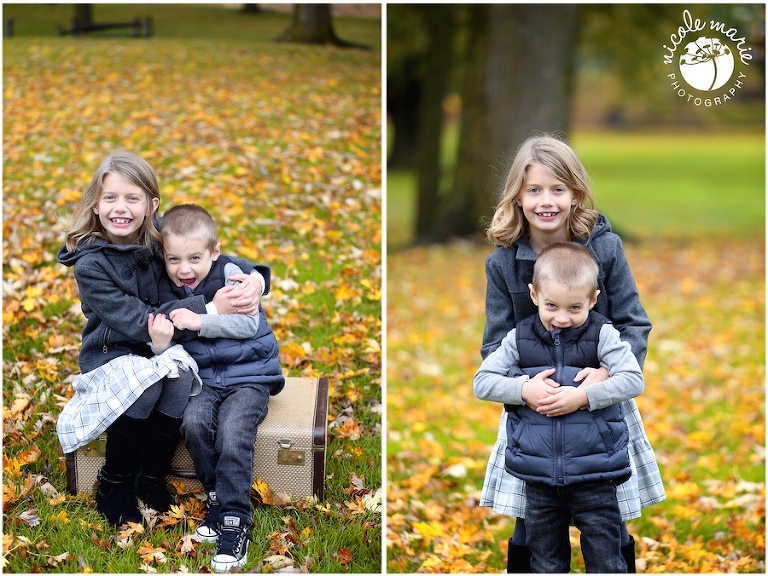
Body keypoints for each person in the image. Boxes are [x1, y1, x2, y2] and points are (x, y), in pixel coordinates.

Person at [479, 134, 665, 572]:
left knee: (606, 520)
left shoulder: (605, 249)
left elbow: (634, 322)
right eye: (534, 190)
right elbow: (494, 344)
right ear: (518, 197)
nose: (546, 201)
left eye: (557, 189)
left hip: (599, 408)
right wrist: (523, 389)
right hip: (535, 415)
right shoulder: (503, 264)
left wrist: (607, 374)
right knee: (534, 523)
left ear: (575, 194)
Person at [56, 150, 267, 527]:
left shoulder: (158, 237)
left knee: (180, 376)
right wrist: (210, 308)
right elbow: (140, 321)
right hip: (112, 354)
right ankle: (115, 480)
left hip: (161, 346)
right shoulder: (91, 265)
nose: (121, 208)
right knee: (149, 381)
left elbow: (209, 254)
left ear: (152, 206)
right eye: (110, 197)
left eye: (132, 198)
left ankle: (150, 477)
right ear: (96, 204)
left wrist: (255, 280)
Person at [475, 242, 643, 572]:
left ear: (593, 300)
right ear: (534, 294)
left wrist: (584, 396)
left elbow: (633, 380)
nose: (562, 318)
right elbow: (482, 382)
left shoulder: (603, 335)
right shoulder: (519, 338)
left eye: (575, 308)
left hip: (596, 475)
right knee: (546, 562)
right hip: (539, 478)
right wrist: (523, 389)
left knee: (606, 560)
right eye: (552, 306)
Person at [155, 204, 285, 573]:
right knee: (194, 424)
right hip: (204, 379)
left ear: (214, 252)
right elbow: (163, 332)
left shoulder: (231, 272)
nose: (184, 269)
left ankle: (235, 519)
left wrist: (201, 319)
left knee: (232, 432)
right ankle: (216, 496)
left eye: (194, 258)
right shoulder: (164, 286)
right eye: (174, 259)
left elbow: (247, 325)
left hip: (250, 376)